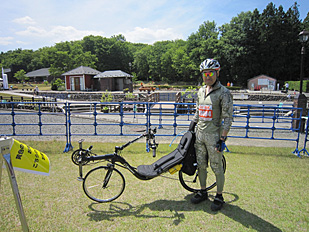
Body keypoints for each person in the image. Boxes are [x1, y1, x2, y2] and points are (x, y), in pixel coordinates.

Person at [188, 58, 233, 211]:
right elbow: (197, 112)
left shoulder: (224, 93)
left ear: (217, 72)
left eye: (211, 73)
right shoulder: (200, 91)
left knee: (216, 167)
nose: (208, 76)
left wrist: (223, 138)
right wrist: (191, 127)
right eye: (205, 73)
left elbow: (227, 117)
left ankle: (219, 196)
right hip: (199, 134)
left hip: (214, 137)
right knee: (201, 165)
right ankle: (203, 191)